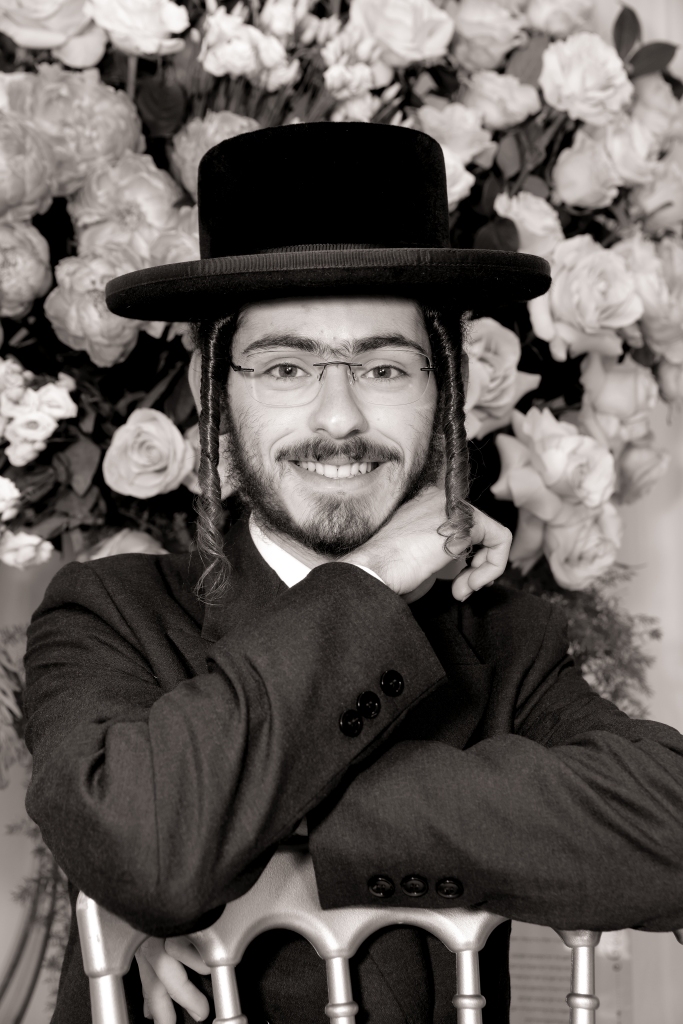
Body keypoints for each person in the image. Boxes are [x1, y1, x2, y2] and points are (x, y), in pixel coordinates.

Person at [23, 123, 683, 1024]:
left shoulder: (503, 638)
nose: (339, 417)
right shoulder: (109, 613)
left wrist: (279, 849)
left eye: (382, 366)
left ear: (446, 392)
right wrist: (371, 576)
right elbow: (142, 847)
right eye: (286, 366)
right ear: (214, 397)